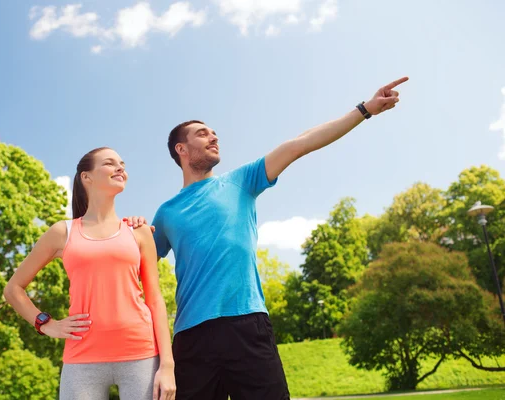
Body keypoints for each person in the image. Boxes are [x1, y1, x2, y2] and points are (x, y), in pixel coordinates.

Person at [143, 77, 409, 400]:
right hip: (192, 337)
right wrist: (129, 226)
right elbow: (135, 263)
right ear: (181, 149)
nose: (214, 136)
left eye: (214, 132)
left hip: (247, 325)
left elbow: (299, 144)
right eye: (202, 133)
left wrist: (364, 110)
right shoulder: (167, 212)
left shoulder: (242, 181)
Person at [4, 147, 176, 400]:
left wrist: (168, 366)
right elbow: (13, 289)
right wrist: (46, 324)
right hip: (82, 357)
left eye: (122, 164)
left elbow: (155, 300)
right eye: (109, 163)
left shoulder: (138, 231)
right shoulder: (62, 233)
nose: (120, 168)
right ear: (87, 177)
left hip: (141, 353)